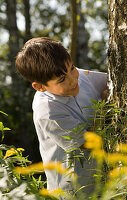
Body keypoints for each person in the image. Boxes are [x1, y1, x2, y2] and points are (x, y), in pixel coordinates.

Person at [15, 37, 107, 195]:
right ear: (40, 87)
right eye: (62, 79)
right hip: (72, 190)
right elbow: (86, 142)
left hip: (103, 182)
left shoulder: (81, 78)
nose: (73, 80)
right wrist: (106, 107)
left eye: (72, 68)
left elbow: (112, 81)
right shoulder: (47, 111)